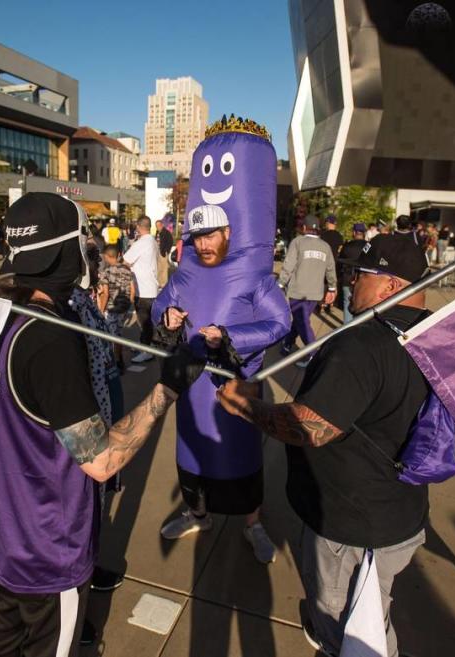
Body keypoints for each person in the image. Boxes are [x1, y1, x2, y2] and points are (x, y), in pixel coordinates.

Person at [0, 192, 205, 657]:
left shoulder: (0, 314)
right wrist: (168, 388)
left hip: (5, 535)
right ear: (64, 251)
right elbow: (101, 460)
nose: (90, 249)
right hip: (45, 550)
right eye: (82, 240)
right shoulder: (49, 340)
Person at [217, 232, 432, 657]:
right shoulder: (438, 333)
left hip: (352, 527)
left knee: (351, 634)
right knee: (373, 610)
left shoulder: (362, 345)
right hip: (399, 515)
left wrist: (245, 407)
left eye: (362, 274)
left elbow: (311, 427)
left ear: (391, 285)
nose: (351, 281)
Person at [154, 202, 290, 563]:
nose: (203, 245)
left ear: (228, 233)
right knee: (192, 451)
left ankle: (253, 524)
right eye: (197, 237)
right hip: (192, 385)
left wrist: (231, 336)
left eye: (210, 235)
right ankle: (197, 515)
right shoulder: (184, 274)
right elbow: (159, 306)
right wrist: (166, 316)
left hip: (237, 385)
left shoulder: (253, 274)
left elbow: (281, 322)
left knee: (241, 455)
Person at [278, 215, 337, 367]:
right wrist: (332, 287)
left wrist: (280, 284)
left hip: (298, 291)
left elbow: (288, 265)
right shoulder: (325, 246)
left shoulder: (297, 242)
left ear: (304, 227)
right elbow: (331, 269)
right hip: (315, 293)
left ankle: (314, 355)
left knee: (302, 322)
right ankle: (287, 344)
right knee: (300, 320)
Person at [122, 216, 158, 363]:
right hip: (148, 286)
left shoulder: (142, 242)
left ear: (138, 226)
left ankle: (147, 350)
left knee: (145, 322)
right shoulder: (152, 240)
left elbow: (126, 261)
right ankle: (144, 346)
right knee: (146, 321)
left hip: (143, 288)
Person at [97, 244, 135, 371]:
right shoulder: (127, 270)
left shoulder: (106, 272)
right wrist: (129, 303)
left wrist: (100, 310)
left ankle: (114, 363)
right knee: (118, 335)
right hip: (123, 308)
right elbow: (132, 289)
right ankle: (120, 361)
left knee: (109, 337)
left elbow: (105, 294)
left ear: (107, 256)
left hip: (111, 309)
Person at [338, 223, 368, 323]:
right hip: (363, 280)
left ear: (354, 233)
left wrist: (338, 277)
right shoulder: (369, 246)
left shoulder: (347, 246)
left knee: (347, 304)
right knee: (362, 306)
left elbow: (339, 262)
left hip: (347, 279)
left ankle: (346, 328)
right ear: (363, 233)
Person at [319, 215, 344, 314]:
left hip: (324, 262)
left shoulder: (323, 235)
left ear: (328, 223)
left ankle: (322, 306)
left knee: (323, 284)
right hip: (335, 262)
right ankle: (331, 304)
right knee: (333, 284)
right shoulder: (339, 235)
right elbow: (340, 250)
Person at [155, 218, 173, 288]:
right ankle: (159, 282)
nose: (158, 227)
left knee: (164, 268)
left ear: (162, 225)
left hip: (163, 252)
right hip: (158, 252)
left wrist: (166, 250)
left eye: (159, 225)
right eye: (156, 226)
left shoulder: (166, 232)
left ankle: (164, 283)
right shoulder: (157, 232)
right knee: (159, 268)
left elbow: (170, 241)